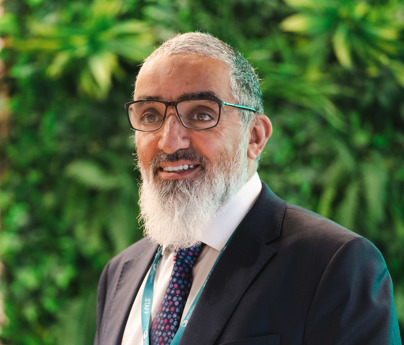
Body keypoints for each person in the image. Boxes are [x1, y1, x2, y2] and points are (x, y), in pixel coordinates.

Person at [94, 32, 401, 345]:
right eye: (150, 115)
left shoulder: (333, 264)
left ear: (255, 136)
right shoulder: (121, 272)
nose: (169, 141)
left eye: (201, 114)